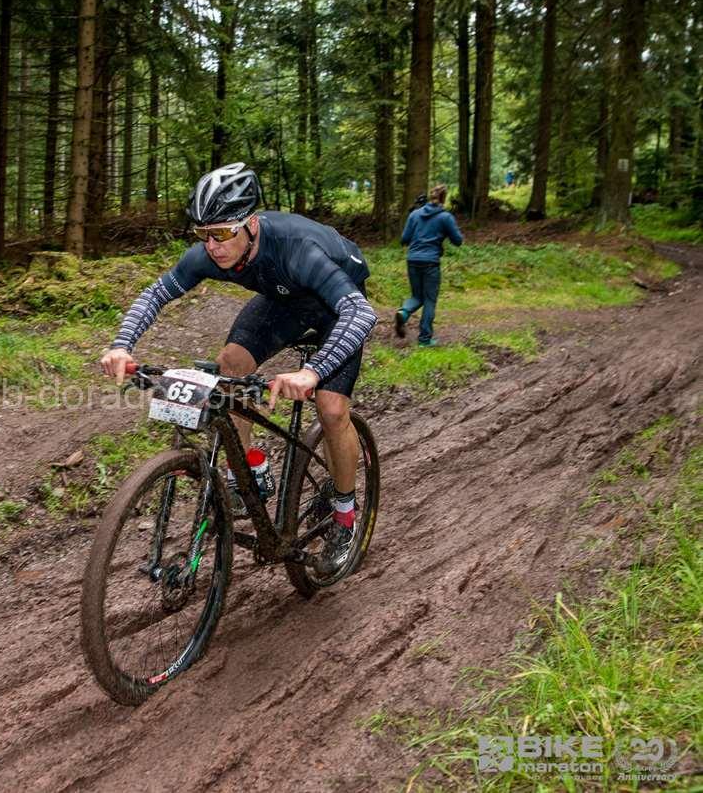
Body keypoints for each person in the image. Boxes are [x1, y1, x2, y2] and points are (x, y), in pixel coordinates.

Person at [99, 163, 377, 574]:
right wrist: (122, 346)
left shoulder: (299, 249)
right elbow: (155, 294)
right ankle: (247, 471)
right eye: (203, 235)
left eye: (222, 233)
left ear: (251, 224)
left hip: (337, 307)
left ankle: (345, 517)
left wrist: (312, 372)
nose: (212, 246)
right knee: (230, 366)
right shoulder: (212, 252)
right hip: (284, 301)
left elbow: (360, 313)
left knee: (332, 410)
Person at [394, 184, 463, 347]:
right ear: (444, 199)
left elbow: (404, 239)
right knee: (430, 299)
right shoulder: (445, 217)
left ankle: (403, 312)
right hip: (431, 262)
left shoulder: (414, 214)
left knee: (417, 296)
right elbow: (458, 240)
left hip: (413, 259)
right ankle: (424, 339)